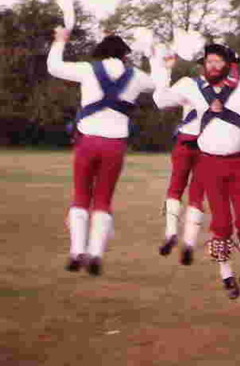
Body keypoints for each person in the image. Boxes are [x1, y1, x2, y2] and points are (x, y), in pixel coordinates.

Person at [152, 43, 240, 300]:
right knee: (221, 223)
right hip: (209, 164)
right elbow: (160, 100)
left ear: (228, 64)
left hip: (239, 163)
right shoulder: (191, 86)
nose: (212, 66)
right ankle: (226, 276)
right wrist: (163, 69)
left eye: (217, 61)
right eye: (208, 61)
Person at [47, 27, 158, 276]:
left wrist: (60, 41)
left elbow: (53, 67)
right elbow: (159, 85)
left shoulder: (88, 69)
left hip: (87, 142)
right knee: (103, 199)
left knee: (81, 197)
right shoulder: (137, 76)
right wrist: (154, 55)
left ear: (101, 53)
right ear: (124, 55)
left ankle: (77, 251)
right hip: (115, 145)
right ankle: (96, 253)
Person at [153, 54, 205, 266]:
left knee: (176, 189)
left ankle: (171, 233)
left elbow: (160, 101)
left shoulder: (188, 84)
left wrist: (166, 71)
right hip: (206, 146)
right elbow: (161, 100)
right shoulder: (225, 89)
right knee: (196, 195)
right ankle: (189, 242)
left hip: (187, 142)